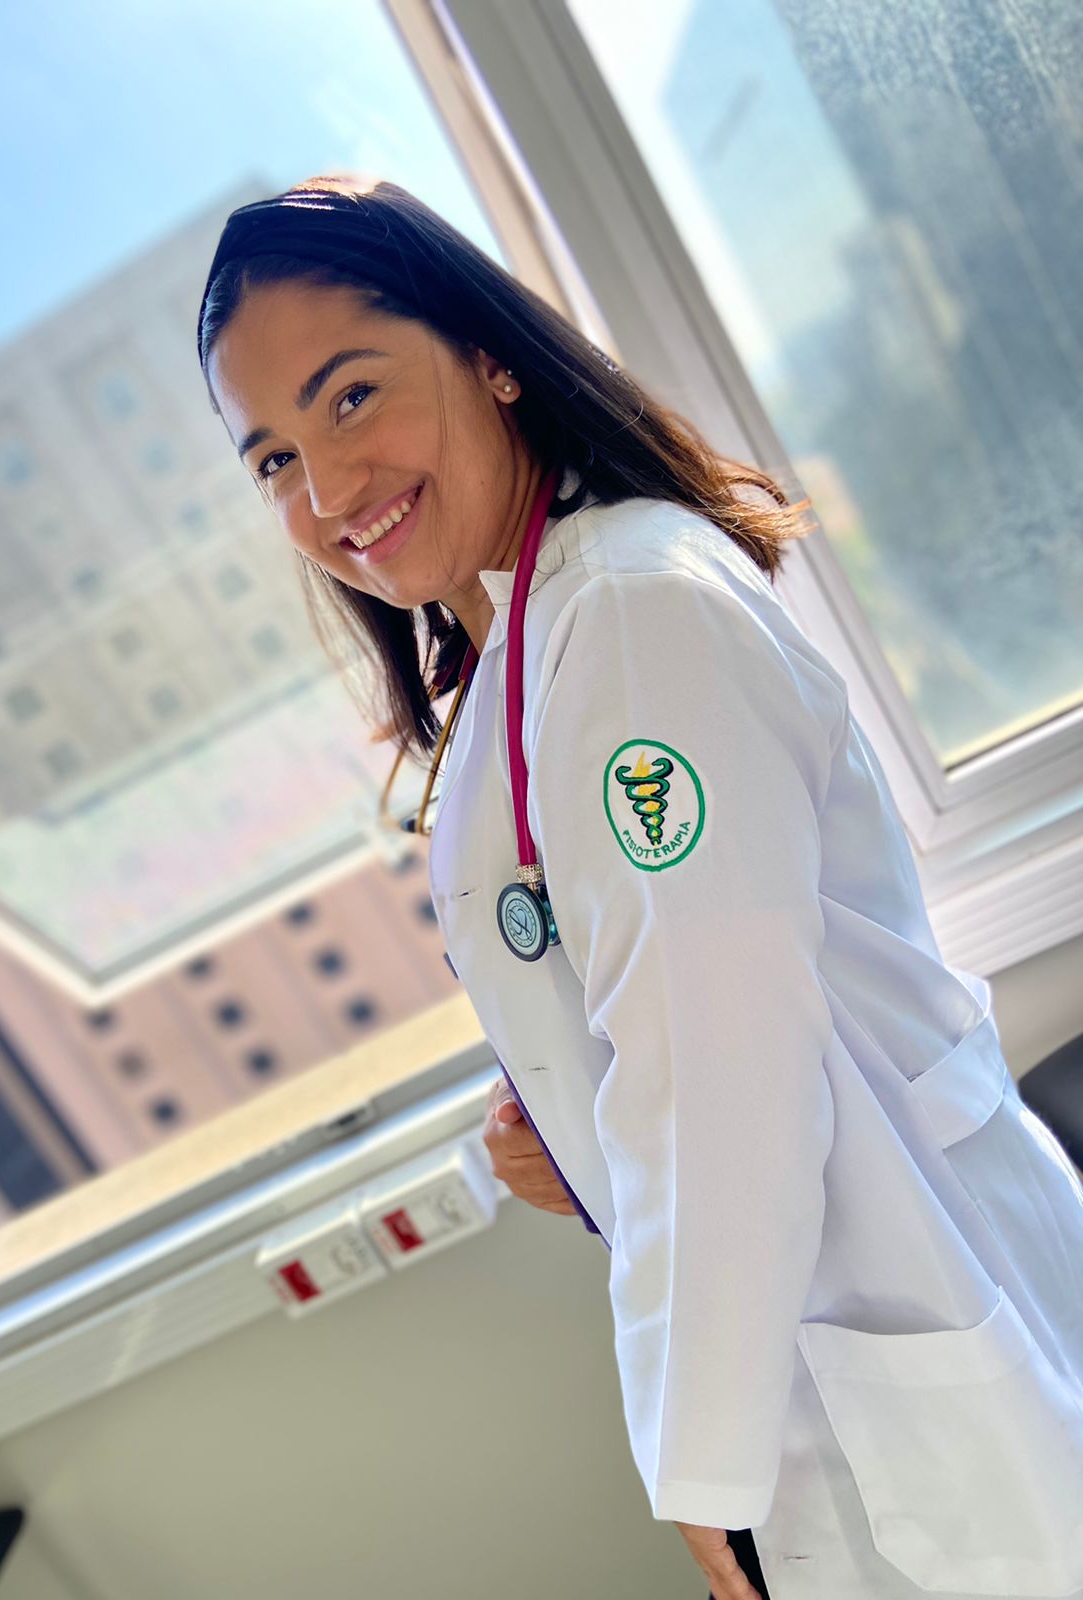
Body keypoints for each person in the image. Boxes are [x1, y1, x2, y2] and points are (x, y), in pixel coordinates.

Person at [197, 174, 1083, 1600]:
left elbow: (719, 1078)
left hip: (893, 1324)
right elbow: (664, 1006)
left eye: (352, 396)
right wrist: (570, 1127)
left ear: (487, 351)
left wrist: (708, 1476)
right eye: (274, 460)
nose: (329, 489)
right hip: (845, 1314)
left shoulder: (626, 615)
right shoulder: (528, 635)